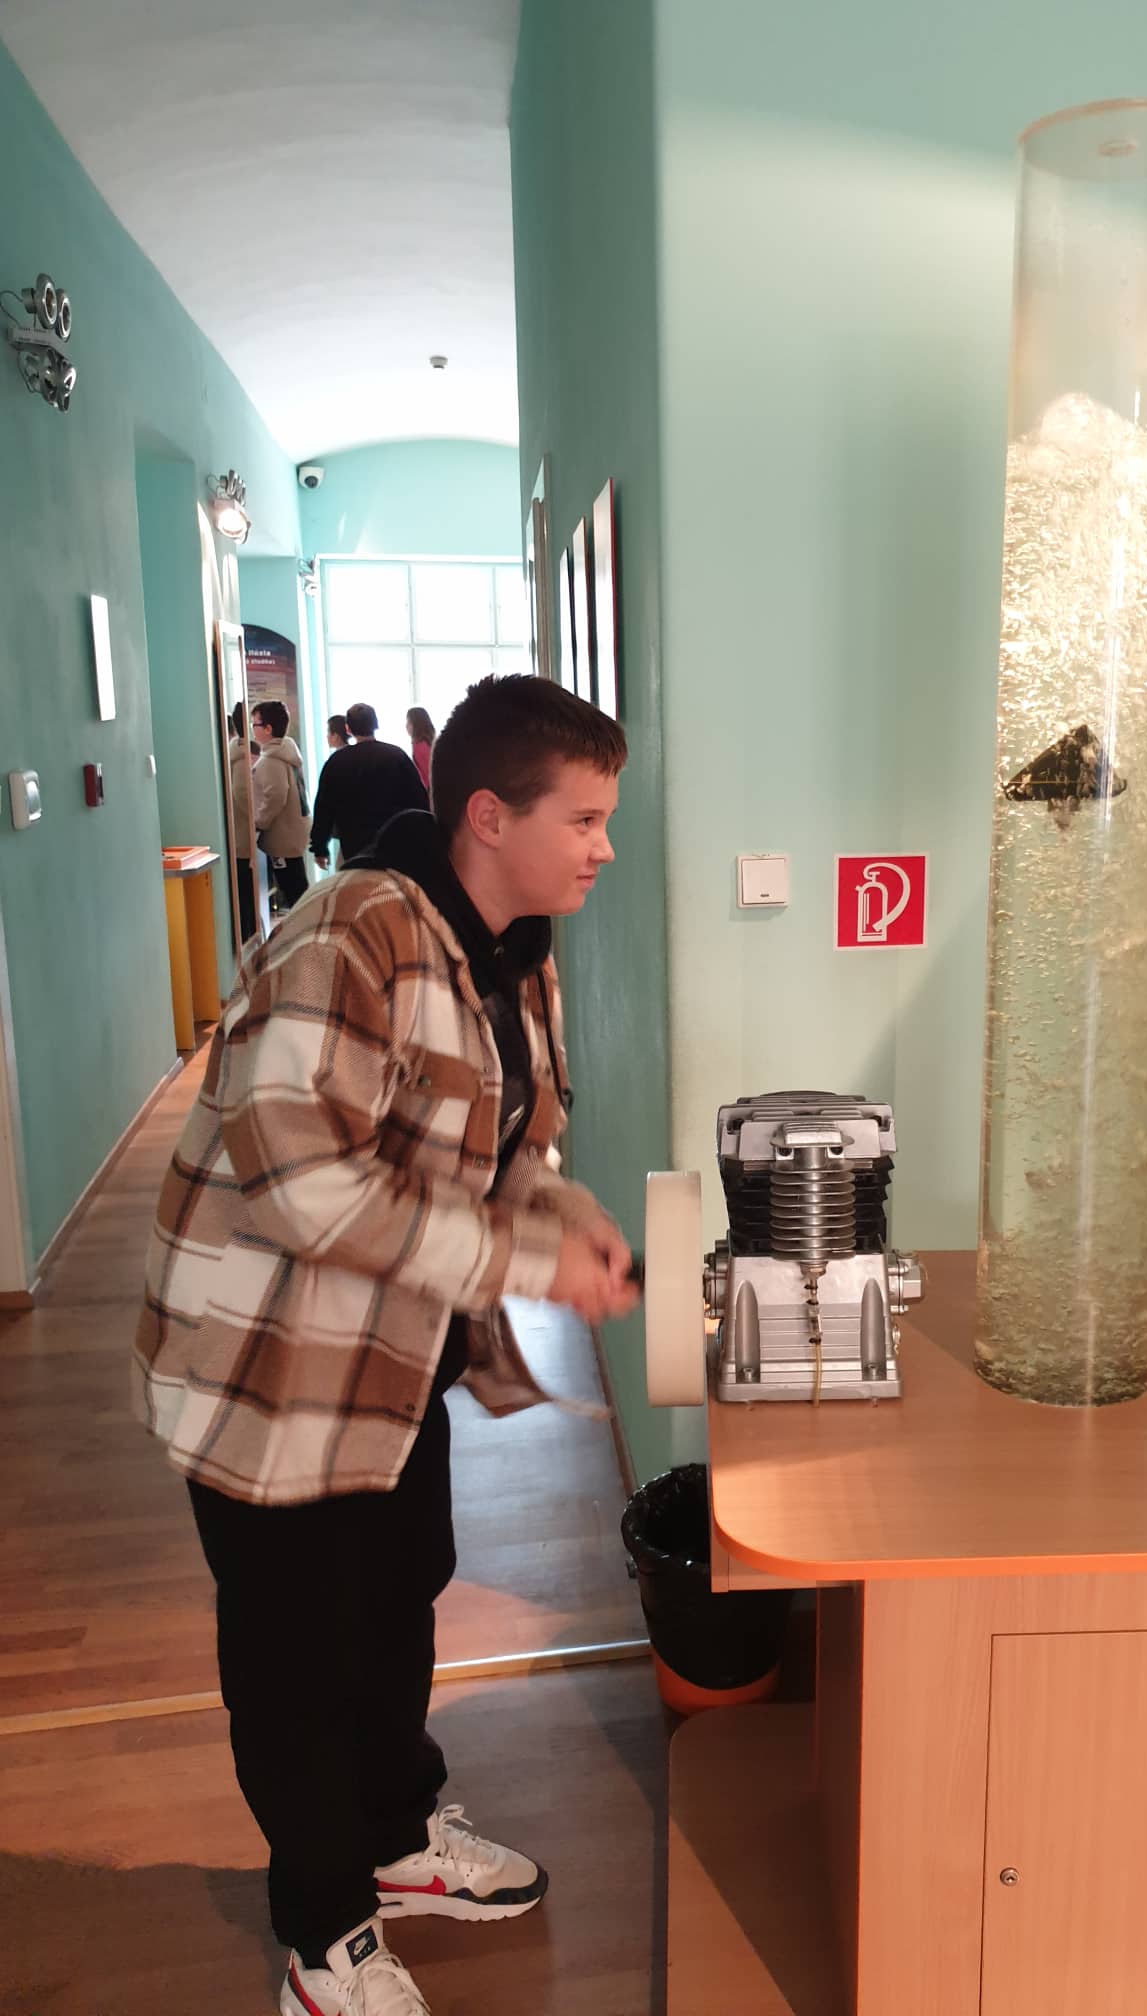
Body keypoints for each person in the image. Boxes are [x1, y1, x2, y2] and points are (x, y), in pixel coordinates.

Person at [134, 675, 637, 2016]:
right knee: (297, 1657)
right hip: (267, 1377)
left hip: (385, 1363)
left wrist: (567, 1218)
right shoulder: (349, 936)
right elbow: (303, 1188)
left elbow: (503, 1143)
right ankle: (323, 1937)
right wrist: (521, 1260)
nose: (603, 847)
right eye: (585, 819)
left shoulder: (511, 948)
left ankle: (397, 1839)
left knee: (399, 1590)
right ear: (489, 816)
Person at [309, 701, 429, 869]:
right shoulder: (396, 756)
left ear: (348, 729)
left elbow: (324, 806)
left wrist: (319, 847)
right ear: (375, 724)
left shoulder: (337, 761)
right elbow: (419, 800)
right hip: (395, 845)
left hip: (354, 848)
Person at [250, 700, 313, 910]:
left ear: (268, 729)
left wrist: (259, 822)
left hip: (281, 836)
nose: (253, 730)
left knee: (293, 890)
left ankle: (304, 926)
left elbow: (275, 796)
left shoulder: (271, 761)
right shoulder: (287, 753)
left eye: (255, 724)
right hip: (293, 831)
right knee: (297, 885)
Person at [227, 702, 257, 943]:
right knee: (246, 892)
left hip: (242, 834)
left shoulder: (237, 752)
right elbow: (242, 794)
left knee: (247, 891)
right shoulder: (240, 756)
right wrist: (258, 819)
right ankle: (248, 938)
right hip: (244, 835)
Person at [406, 705, 436, 797]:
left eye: (409, 722)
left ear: (416, 724)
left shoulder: (419, 746)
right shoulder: (430, 742)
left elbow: (427, 777)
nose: (406, 726)